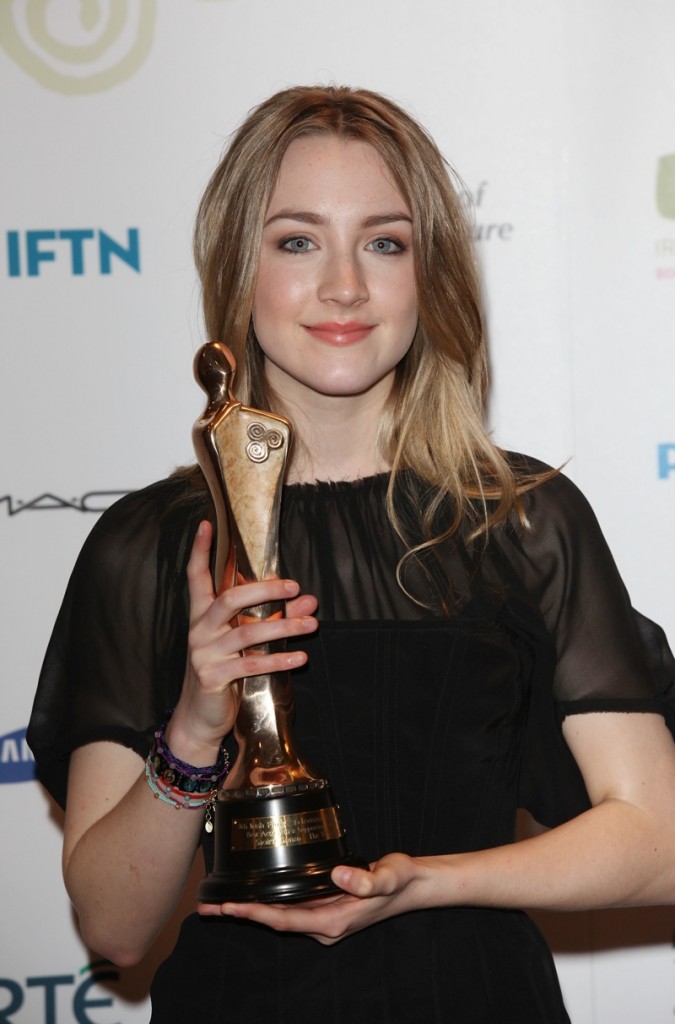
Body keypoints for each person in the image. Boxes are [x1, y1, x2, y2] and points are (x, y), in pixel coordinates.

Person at [29, 85, 675, 1024]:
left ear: (430, 272)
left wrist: (428, 884)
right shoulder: (155, 543)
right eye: (297, 241)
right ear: (237, 267)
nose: (344, 285)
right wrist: (195, 731)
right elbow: (114, 927)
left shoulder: (521, 521)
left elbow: (657, 836)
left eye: (384, 242)